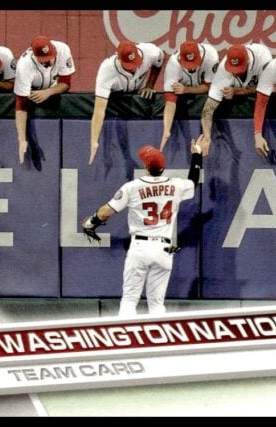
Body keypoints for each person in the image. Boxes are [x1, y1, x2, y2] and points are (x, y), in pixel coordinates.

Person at [81, 135, 206, 316]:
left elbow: (105, 212)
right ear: (163, 168)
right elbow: (193, 180)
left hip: (140, 246)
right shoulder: (176, 185)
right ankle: (158, 341)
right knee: (156, 304)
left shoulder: (132, 187)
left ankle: (127, 341)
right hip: (164, 248)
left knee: (130, 299)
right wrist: (197, 154)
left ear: (145, 167)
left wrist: (90, 223)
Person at [89, 40, 164, 165]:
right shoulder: (107, 69)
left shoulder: (150, 52)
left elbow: (160, 59)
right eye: (129, 64)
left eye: (135, 62)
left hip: (137, 92)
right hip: (116, 96)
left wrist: (150, 85)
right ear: (118, 59)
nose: (133, 67)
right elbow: (99, 109)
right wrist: (94, 141)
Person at [200, 43, 272, 156]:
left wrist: (239, 91)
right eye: (233, 69)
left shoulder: (262, 58)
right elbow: (207, 110)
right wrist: (207, 137)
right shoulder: (223, 70)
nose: (235, 72)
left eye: (239, 69)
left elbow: (266, 95)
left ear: (248, 61)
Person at [14, 36, 75, 165]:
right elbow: (21, 104)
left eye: (49, 57)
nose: (48, 62)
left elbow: (65, 84)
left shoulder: (63, 49)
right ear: (35, 56)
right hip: (32, 90)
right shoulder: (24, 65)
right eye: (43, 60)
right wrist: (22, 139)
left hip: (52, 88)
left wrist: (48, 92)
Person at [160, 40, 219, 150]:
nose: (191, 68)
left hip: (197, 90)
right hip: (186, 89)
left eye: (194, 62)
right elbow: (170, 101)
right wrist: (166, 130)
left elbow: (210, 87)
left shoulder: (211, 56)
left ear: (200, 55)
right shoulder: (173, 64)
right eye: (187, 64)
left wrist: (187, 89)